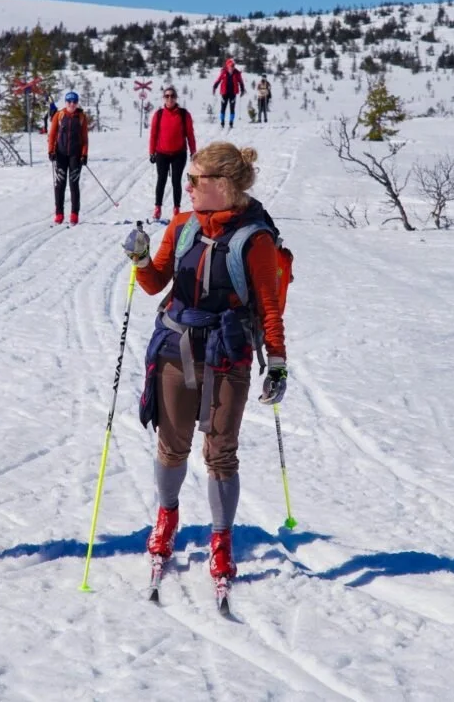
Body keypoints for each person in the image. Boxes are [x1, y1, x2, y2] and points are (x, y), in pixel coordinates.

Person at [120, 141, 289, 589]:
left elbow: (270, 306)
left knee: (221, 452)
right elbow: (155, 283)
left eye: (196, 180)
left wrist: (276, 362)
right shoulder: (181, 227)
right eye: (189, 178)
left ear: (224, 186)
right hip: (176, 346)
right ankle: (167, 517)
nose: (188, 186)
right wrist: (139, 258)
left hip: (228, 352)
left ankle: (221, 538)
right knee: (171, 443)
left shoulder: (255, 240)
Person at [148, 85, 197, 221]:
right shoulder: (158, 115)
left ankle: (176, 209)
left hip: (179, 153)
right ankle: (158, 208)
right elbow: (153, 135)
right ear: (164, 98)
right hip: (162, 153)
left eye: (172, 96)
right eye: (167, 96)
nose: (170, 98)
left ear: (176, 98)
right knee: (161, 180)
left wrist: (193, 151)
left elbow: (190, 134)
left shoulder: (183, 114)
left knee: (176, 181)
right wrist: (152, 152)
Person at [47, 91, 90, 225]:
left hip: (75, 155)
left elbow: (84, 138)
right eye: (69, 102)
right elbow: (52, 135)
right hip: (60, 154)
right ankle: (59, 213)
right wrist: (51, 151)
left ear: (77, 103)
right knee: (60, 185)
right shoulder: (59, 115)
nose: (72, 104)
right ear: (66, 103)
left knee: (74, 184)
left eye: (74, 102)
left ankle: (74, 214)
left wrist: (84, 154)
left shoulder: (81, 117)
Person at [211, 58, 244, 130]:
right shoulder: (224, 72)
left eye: (233, 66)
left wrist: (242, 90)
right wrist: (214, 88)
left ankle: (231, 123)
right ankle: (222, 123)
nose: (232, 68)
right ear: (227, 66)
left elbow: (241, 82)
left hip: (233, 94)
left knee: (232, 109)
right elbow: (218, 80)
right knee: (223, 108)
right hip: (224, 93)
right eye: (231, 66)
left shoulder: (237, 73)